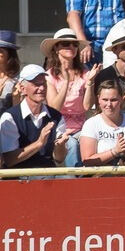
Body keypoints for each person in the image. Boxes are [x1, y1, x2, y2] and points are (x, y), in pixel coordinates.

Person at [42, 28, 99, 166]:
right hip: (59, 129)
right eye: (66, 44)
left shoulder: (85, 72)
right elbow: (54, 108)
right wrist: (66, 81)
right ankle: (74, 177)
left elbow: (87, 106)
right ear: (56, 48)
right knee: (71, 144)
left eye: (75, 44)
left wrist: (90, 82)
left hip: (82, 128)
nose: (71, 47)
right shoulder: (49, 76)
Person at [0, 64, 69, 169]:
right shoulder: (10, 117)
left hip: (48, 173)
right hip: (20, 175)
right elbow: (9, 160)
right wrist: (39, 143)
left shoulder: (56, 116)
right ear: (22, 88)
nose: (42, 88)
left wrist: (60, 146)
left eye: (44, 84)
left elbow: (59, 159)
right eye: (36, 84)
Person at [79, 80, 125, 166]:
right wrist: (114, 151)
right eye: (105, 100)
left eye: (113, 100)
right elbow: (87, 160)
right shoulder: (91, 124)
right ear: (98, 99)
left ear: (121, 99)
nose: (109, 104)